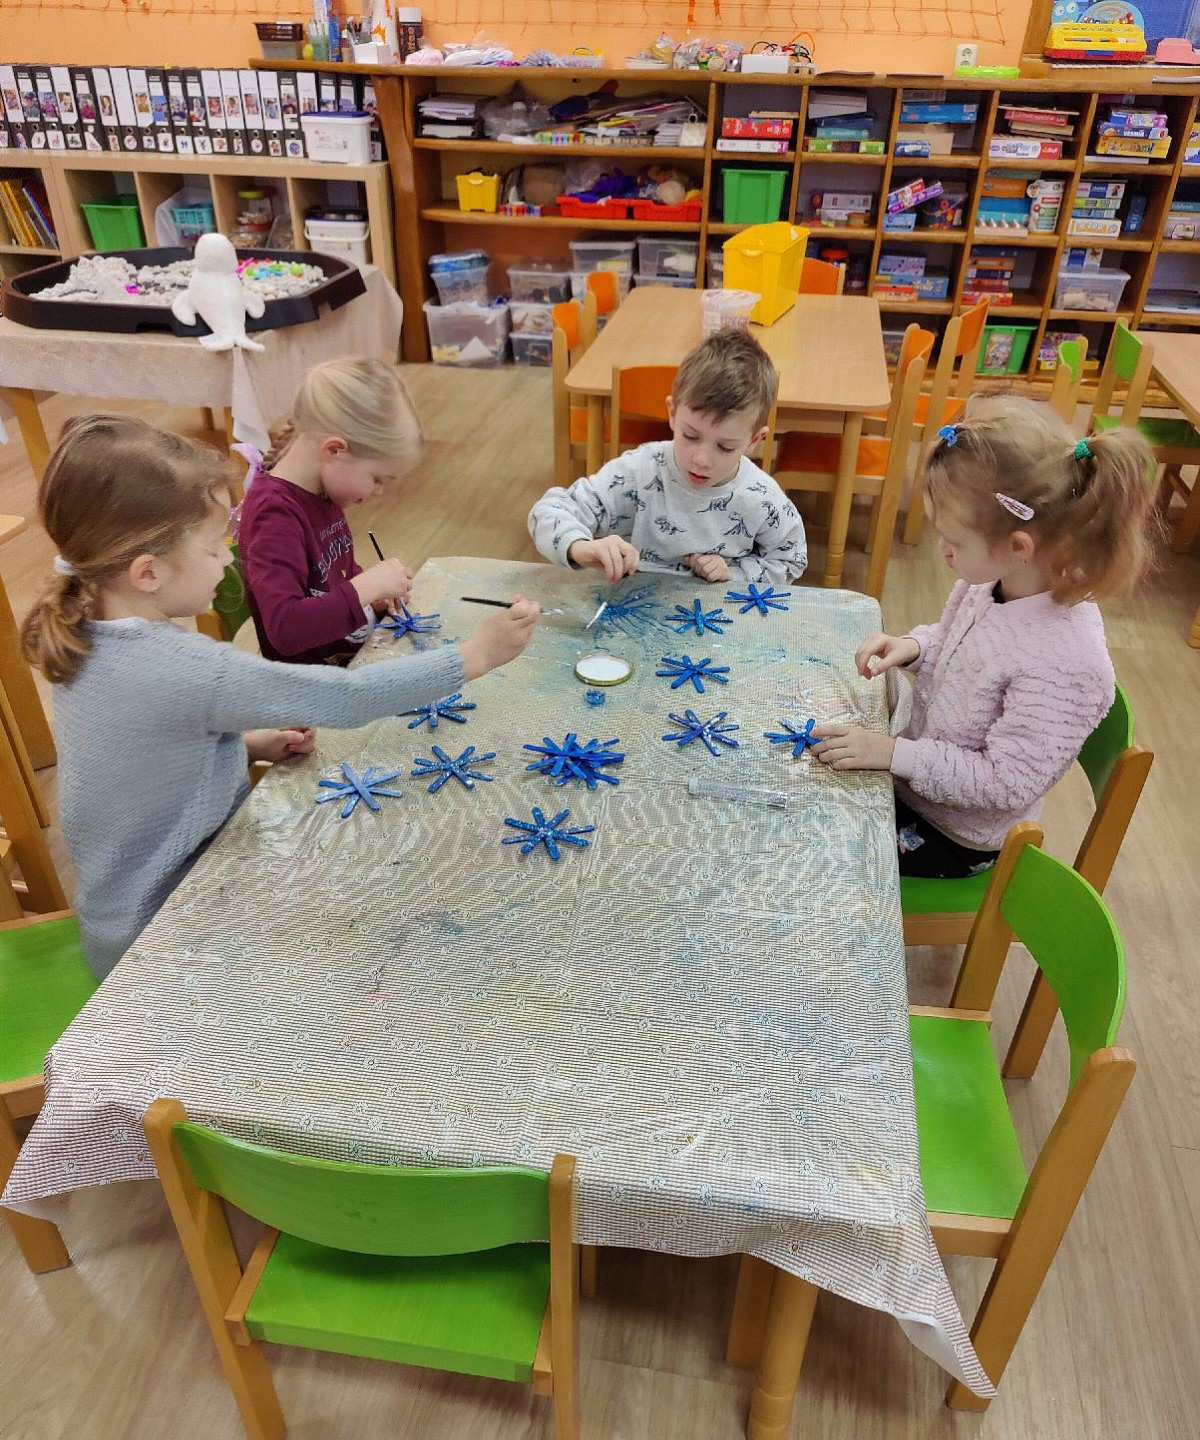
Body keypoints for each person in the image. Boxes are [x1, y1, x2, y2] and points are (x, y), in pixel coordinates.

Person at [21, 414, 539, 977]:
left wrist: (244, 745)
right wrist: (473, 656)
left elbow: (136, 762)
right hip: (166, 942)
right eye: (213, 547)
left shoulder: (81, 633)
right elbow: (348, 697)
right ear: (147, 574)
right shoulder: (186, 666)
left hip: (113, 925)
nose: (229, 559)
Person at [812, 396, 1157, 877]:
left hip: (957, 835)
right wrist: (916, 647)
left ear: (1018, 546)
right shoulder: (995, 581)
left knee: (811, 852)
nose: (942, 551)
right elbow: (961, 644)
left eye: (953, 541)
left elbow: (1005, 783)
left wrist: (891, 753)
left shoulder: (1068, 664)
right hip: (915, 781)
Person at [528, 326, 806, 587]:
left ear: (754, 441)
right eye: (691, 436)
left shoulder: (762, 498)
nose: (701, 459)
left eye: (725, 447)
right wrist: (581, 548)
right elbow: (548, 512)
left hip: (720, 610)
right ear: (672, 413)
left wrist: (734, 574)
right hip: (635, 602)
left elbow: (791, 560)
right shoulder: (640, 470)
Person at [237, 357, 421, 666]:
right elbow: (286, 629)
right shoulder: (275, 515)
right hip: (309, 684)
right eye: (377, 479)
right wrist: (367, 586)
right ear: (335, 450)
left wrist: (372, 598)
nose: (378, 492)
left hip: (347, 658)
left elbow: (332, 574)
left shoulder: (322, 489)